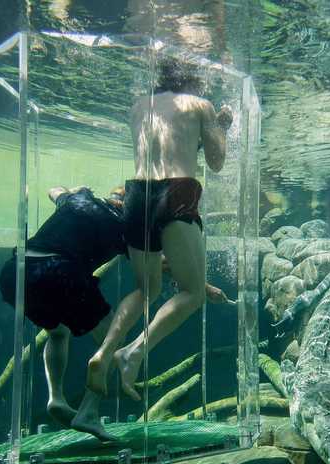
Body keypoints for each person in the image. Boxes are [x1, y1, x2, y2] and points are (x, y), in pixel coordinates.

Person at [0, 185, 230, 440]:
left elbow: (54, 190)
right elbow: (164, 264)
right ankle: (89, 410)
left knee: (57, 333)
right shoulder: (125, 225)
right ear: (127, 205)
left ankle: (56, 398)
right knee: (113, 339)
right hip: (59, 273)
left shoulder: (79, 200)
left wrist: (74, 190)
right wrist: (205, 288)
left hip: (16, 272)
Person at [86, 55, 233, 401]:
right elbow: (217, 161)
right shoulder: (200, 104)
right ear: (194, 79)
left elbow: (165, 145)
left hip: (136, 195)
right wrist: (222, 126)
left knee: (146, 288)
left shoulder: (139, 106)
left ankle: (104, 352)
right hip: (177, 192)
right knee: (193, 292)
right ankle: (133, 352)